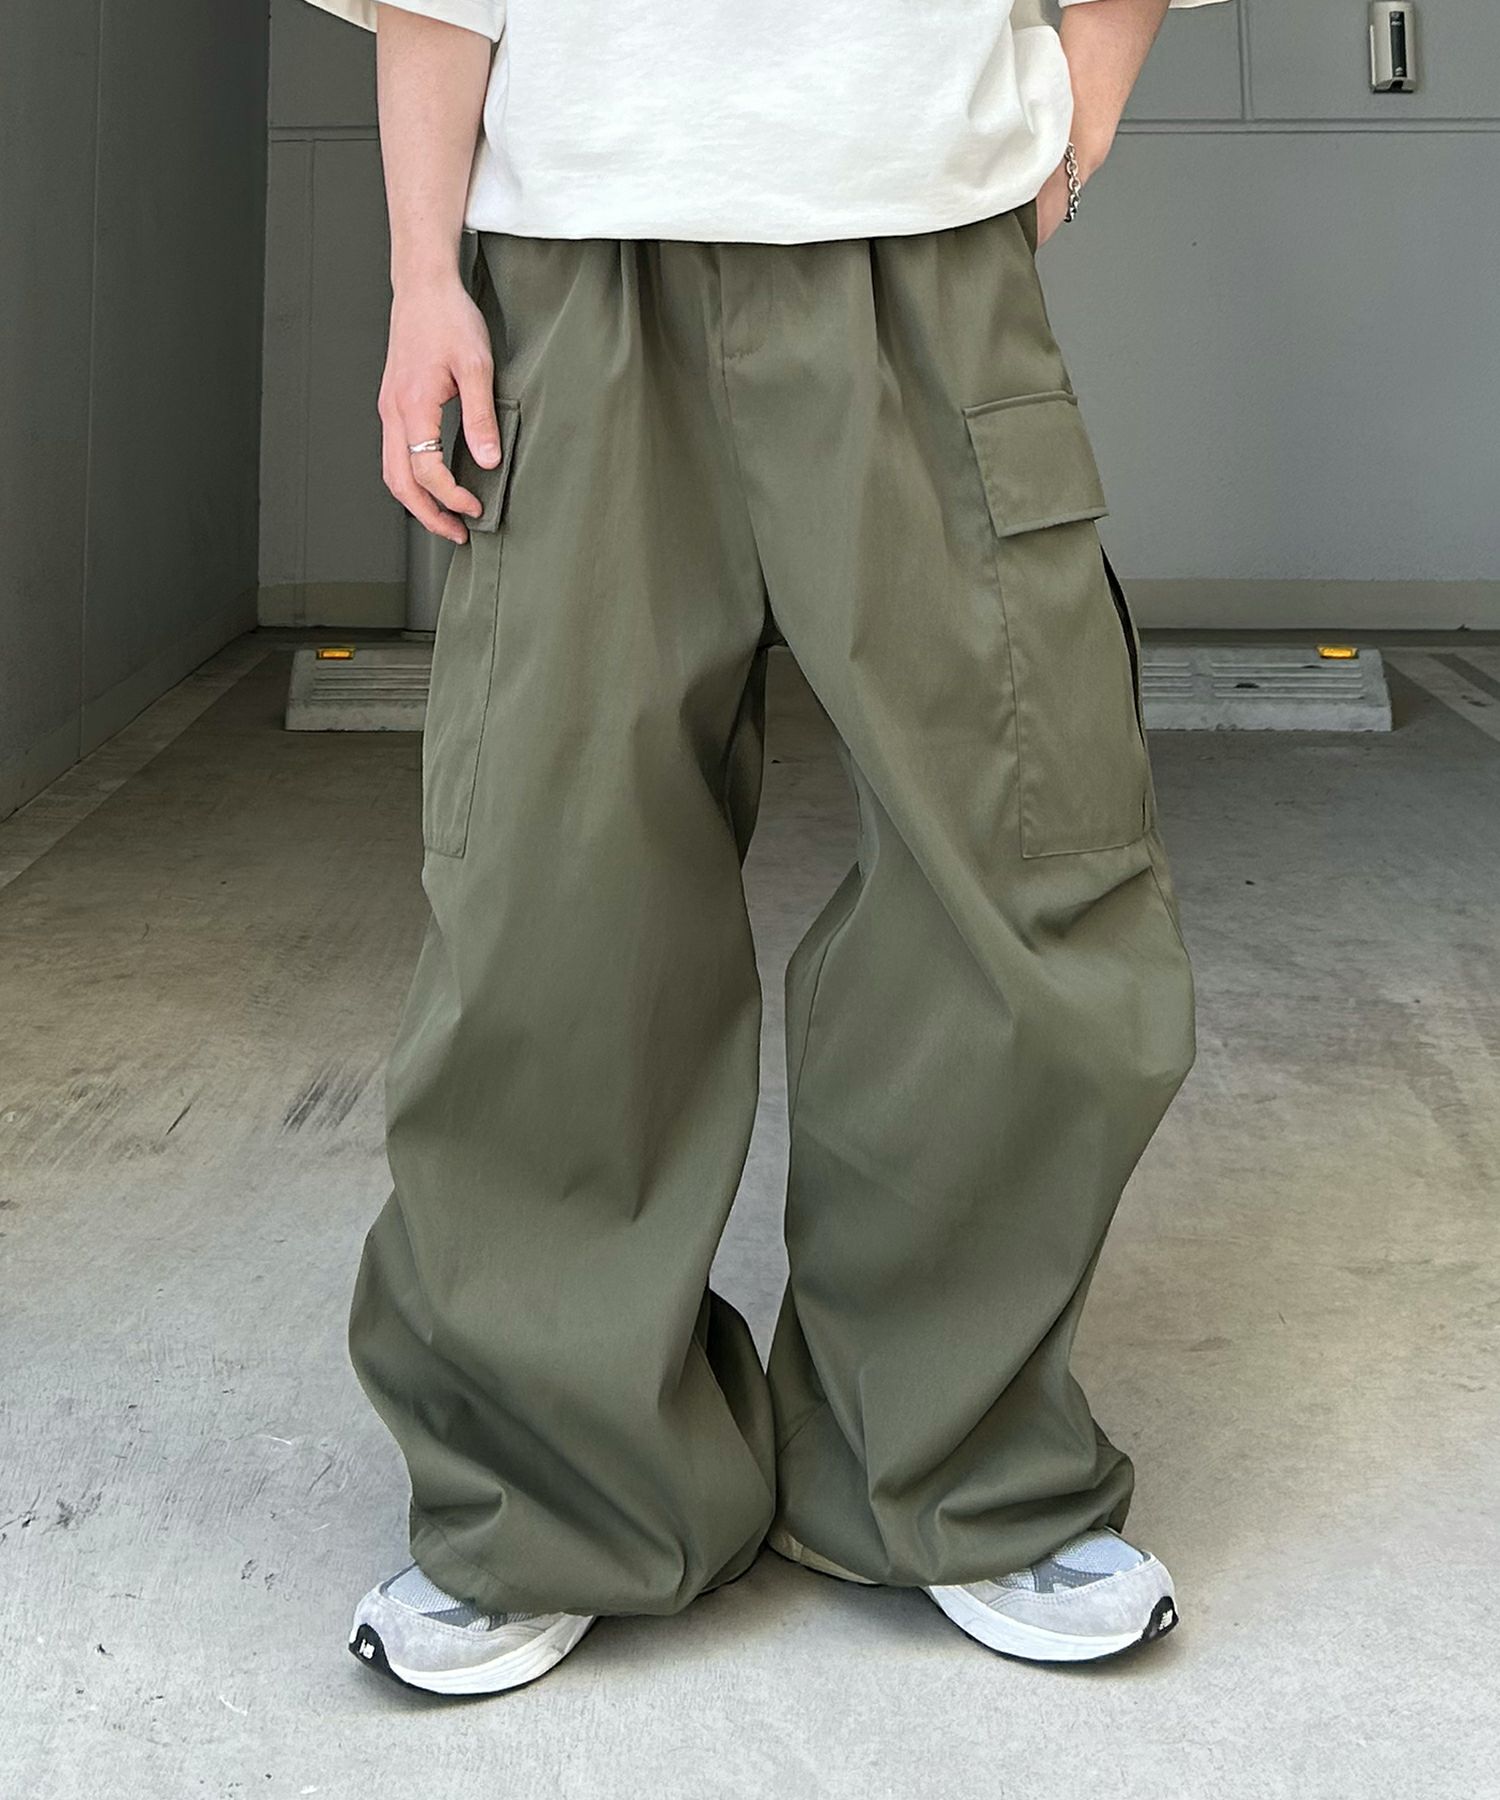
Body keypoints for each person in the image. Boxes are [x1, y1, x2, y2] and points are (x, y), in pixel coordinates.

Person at [304, 0, 1217, 1696]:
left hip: (927, 248)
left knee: (1022, 871)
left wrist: (1071, 125)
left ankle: (952, 1462)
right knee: (548, 887)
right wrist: (424, 277)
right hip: (578, 261)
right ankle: (553, 1493)